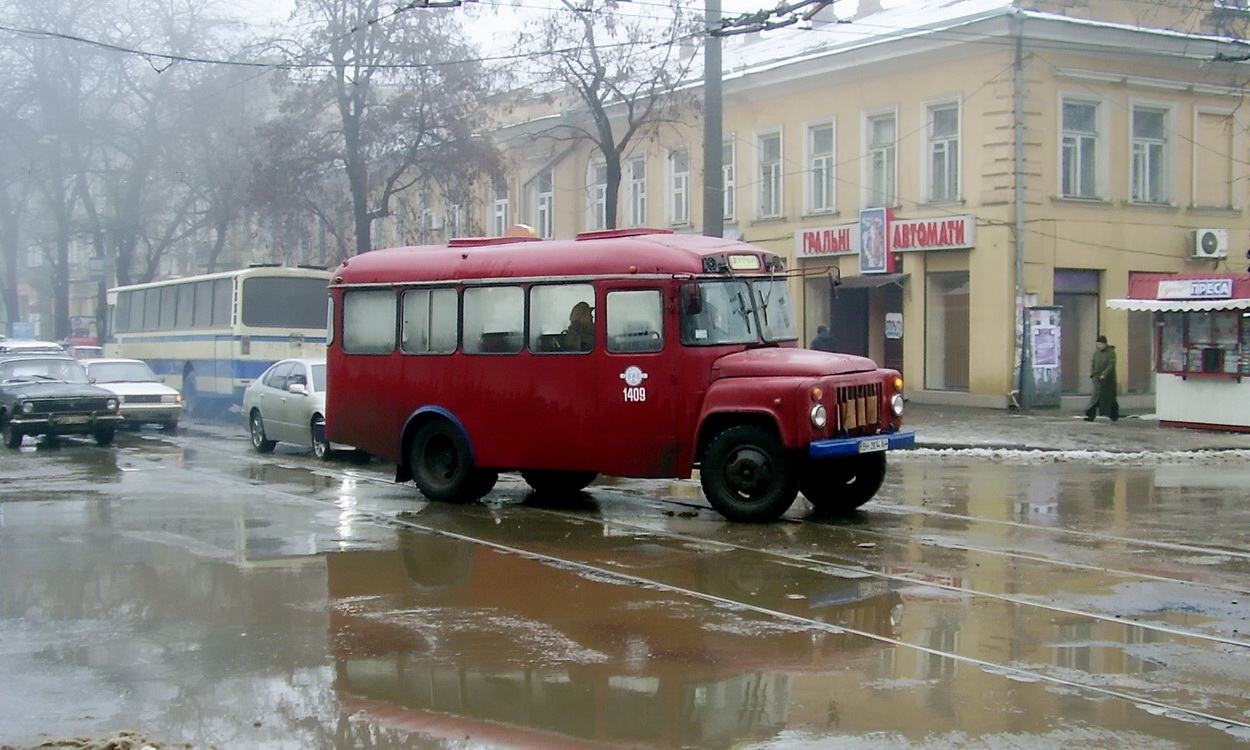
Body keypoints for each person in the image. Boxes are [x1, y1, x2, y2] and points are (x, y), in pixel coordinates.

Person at [1084, 334, 1119, 422]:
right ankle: (1090, 415)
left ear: (1105, 344)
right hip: (1097, 378)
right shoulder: (1097, 353)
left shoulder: (1111, 352)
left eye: (1100, 344)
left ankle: (1113, 415)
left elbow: (1111, 365)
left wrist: (1105, 374)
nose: (1099, 346)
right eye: (1098, 344)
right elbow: (1093, 363)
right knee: (1095, 397)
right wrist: (1092, 373)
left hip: (1108, 380)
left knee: (1110, 398)